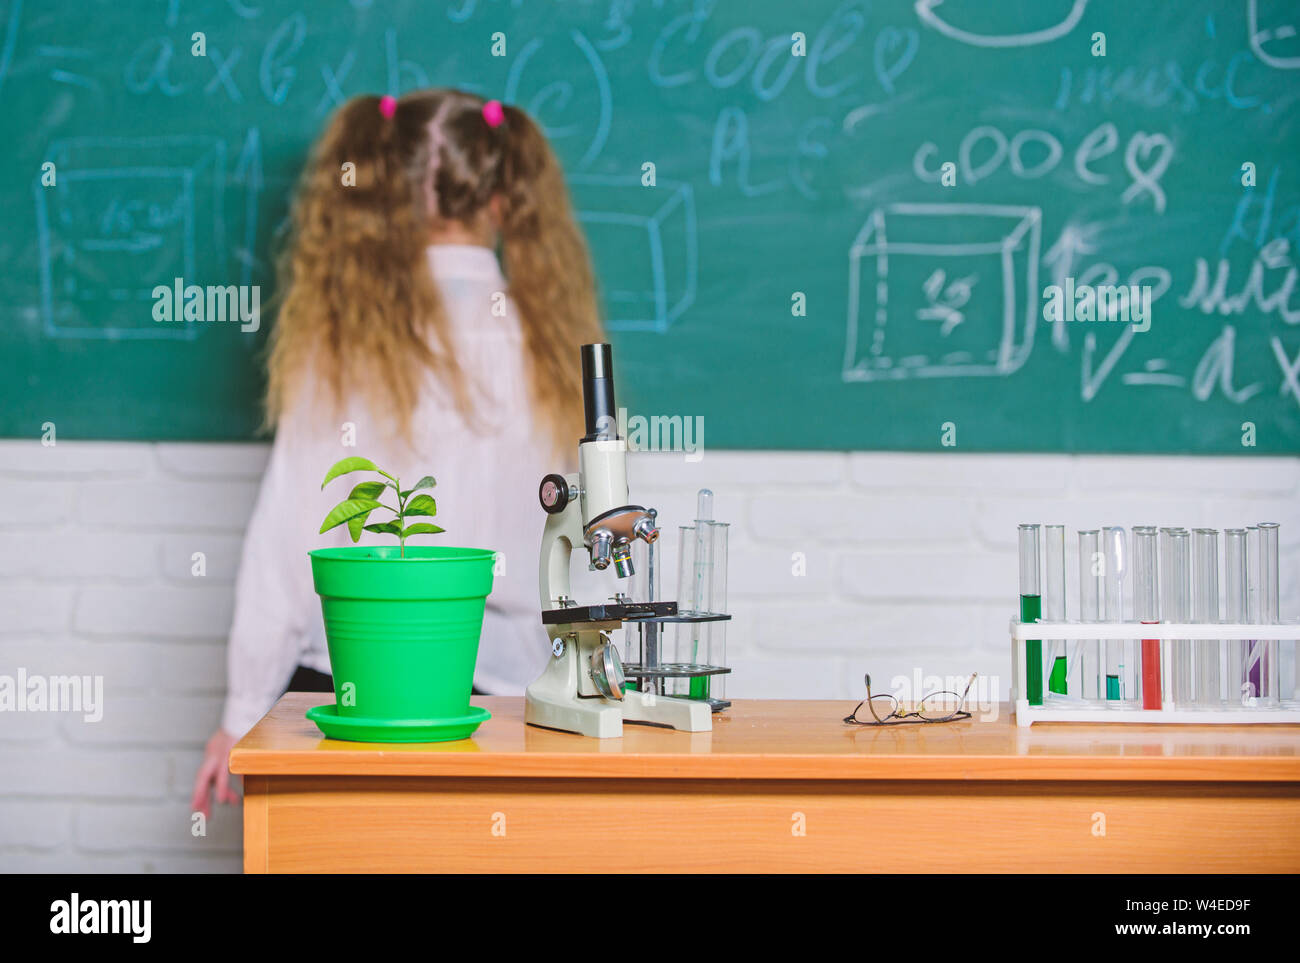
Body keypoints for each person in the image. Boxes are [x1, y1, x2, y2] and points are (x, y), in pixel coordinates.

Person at [191, 90, 604, 817]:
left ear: (384, 192)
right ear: (503, 196)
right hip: (511, 704)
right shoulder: (546, 347)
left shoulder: (341, 342)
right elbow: (588, 545)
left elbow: (285, 545)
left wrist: (241, 711)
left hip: (350, 693)